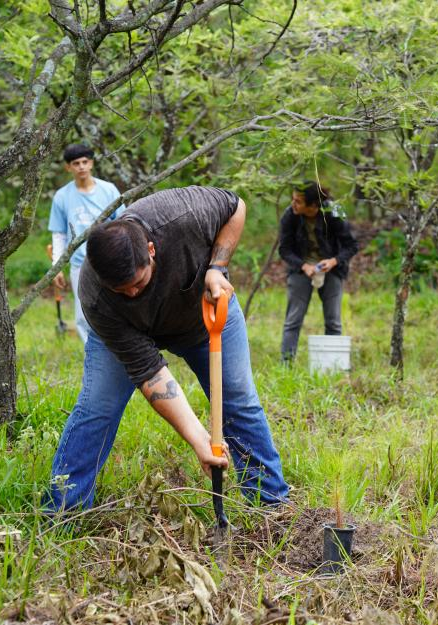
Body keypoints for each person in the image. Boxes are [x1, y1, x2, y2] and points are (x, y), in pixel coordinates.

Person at [43, 186, 290, 513]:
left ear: (151, 250)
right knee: (97, 409)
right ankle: (63, 512)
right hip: (129, 331)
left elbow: (235, 207)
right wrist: (199, 439)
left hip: (203, 316)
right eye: (121, 290)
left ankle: (271, 506)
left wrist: (217, 267)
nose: (132, 294)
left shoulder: (181, 214)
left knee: (239, 399)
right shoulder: (95, 295)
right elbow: (150, 373)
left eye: (138, 283)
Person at [49, 143, 125, 343]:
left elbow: (124, 224)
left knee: (117, 309)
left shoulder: (109, 190)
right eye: (76, 163)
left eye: (85, 162)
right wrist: (57, 267)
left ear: (91, 163)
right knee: (83, 316)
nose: (81, 167)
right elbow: (59, 234)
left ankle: (121, 350)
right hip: (80, 264)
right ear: (68, 167)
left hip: (109, 261)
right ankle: (91, 354)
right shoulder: (62, 196)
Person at [278, 181, 359, 362]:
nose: (293, 204)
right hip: (301, 268)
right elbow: (284, 249)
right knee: (293, 320)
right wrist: (303, 266)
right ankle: (286, 365)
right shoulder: (290, 215)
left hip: (332, 269)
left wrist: (333, 261)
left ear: (313, 205)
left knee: (333, 321)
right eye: (293, 199)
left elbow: (352, 245)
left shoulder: (334, 212)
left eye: (298, 201)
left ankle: (333, 366)